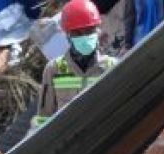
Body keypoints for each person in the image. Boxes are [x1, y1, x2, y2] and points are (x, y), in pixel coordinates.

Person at [35, 0, 118, 128]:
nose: (85, 37)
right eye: (78, 33)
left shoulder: (110, 66)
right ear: (67, 35)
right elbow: (43, 117)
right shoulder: (54, 70)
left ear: (97, 30)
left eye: (89, 30)